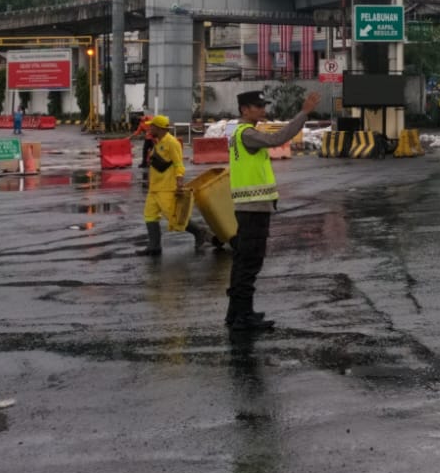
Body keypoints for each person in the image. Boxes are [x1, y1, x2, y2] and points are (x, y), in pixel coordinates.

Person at [225, 88, 321, 331]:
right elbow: (278, 139)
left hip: (249, 207)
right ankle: (243, 317)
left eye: (263, 106)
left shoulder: (239, 133)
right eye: (258, 106)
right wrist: (303, 113)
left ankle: (236, 312)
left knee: (242, 261)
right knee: (250, 262)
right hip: (253, 208)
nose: (263, 110)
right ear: (244, 110)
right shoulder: (247, 134)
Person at [136, 115, 213, 256]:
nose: (149, 128)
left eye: (152, 126)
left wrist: (179, 182)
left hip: (166, 188)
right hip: (154, 188)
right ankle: (154, 246)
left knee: (175, 217)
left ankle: (199, 232)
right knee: (149, 215)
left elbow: (178, 164)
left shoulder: (172, 143)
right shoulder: (158, 142)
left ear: (159, 128)